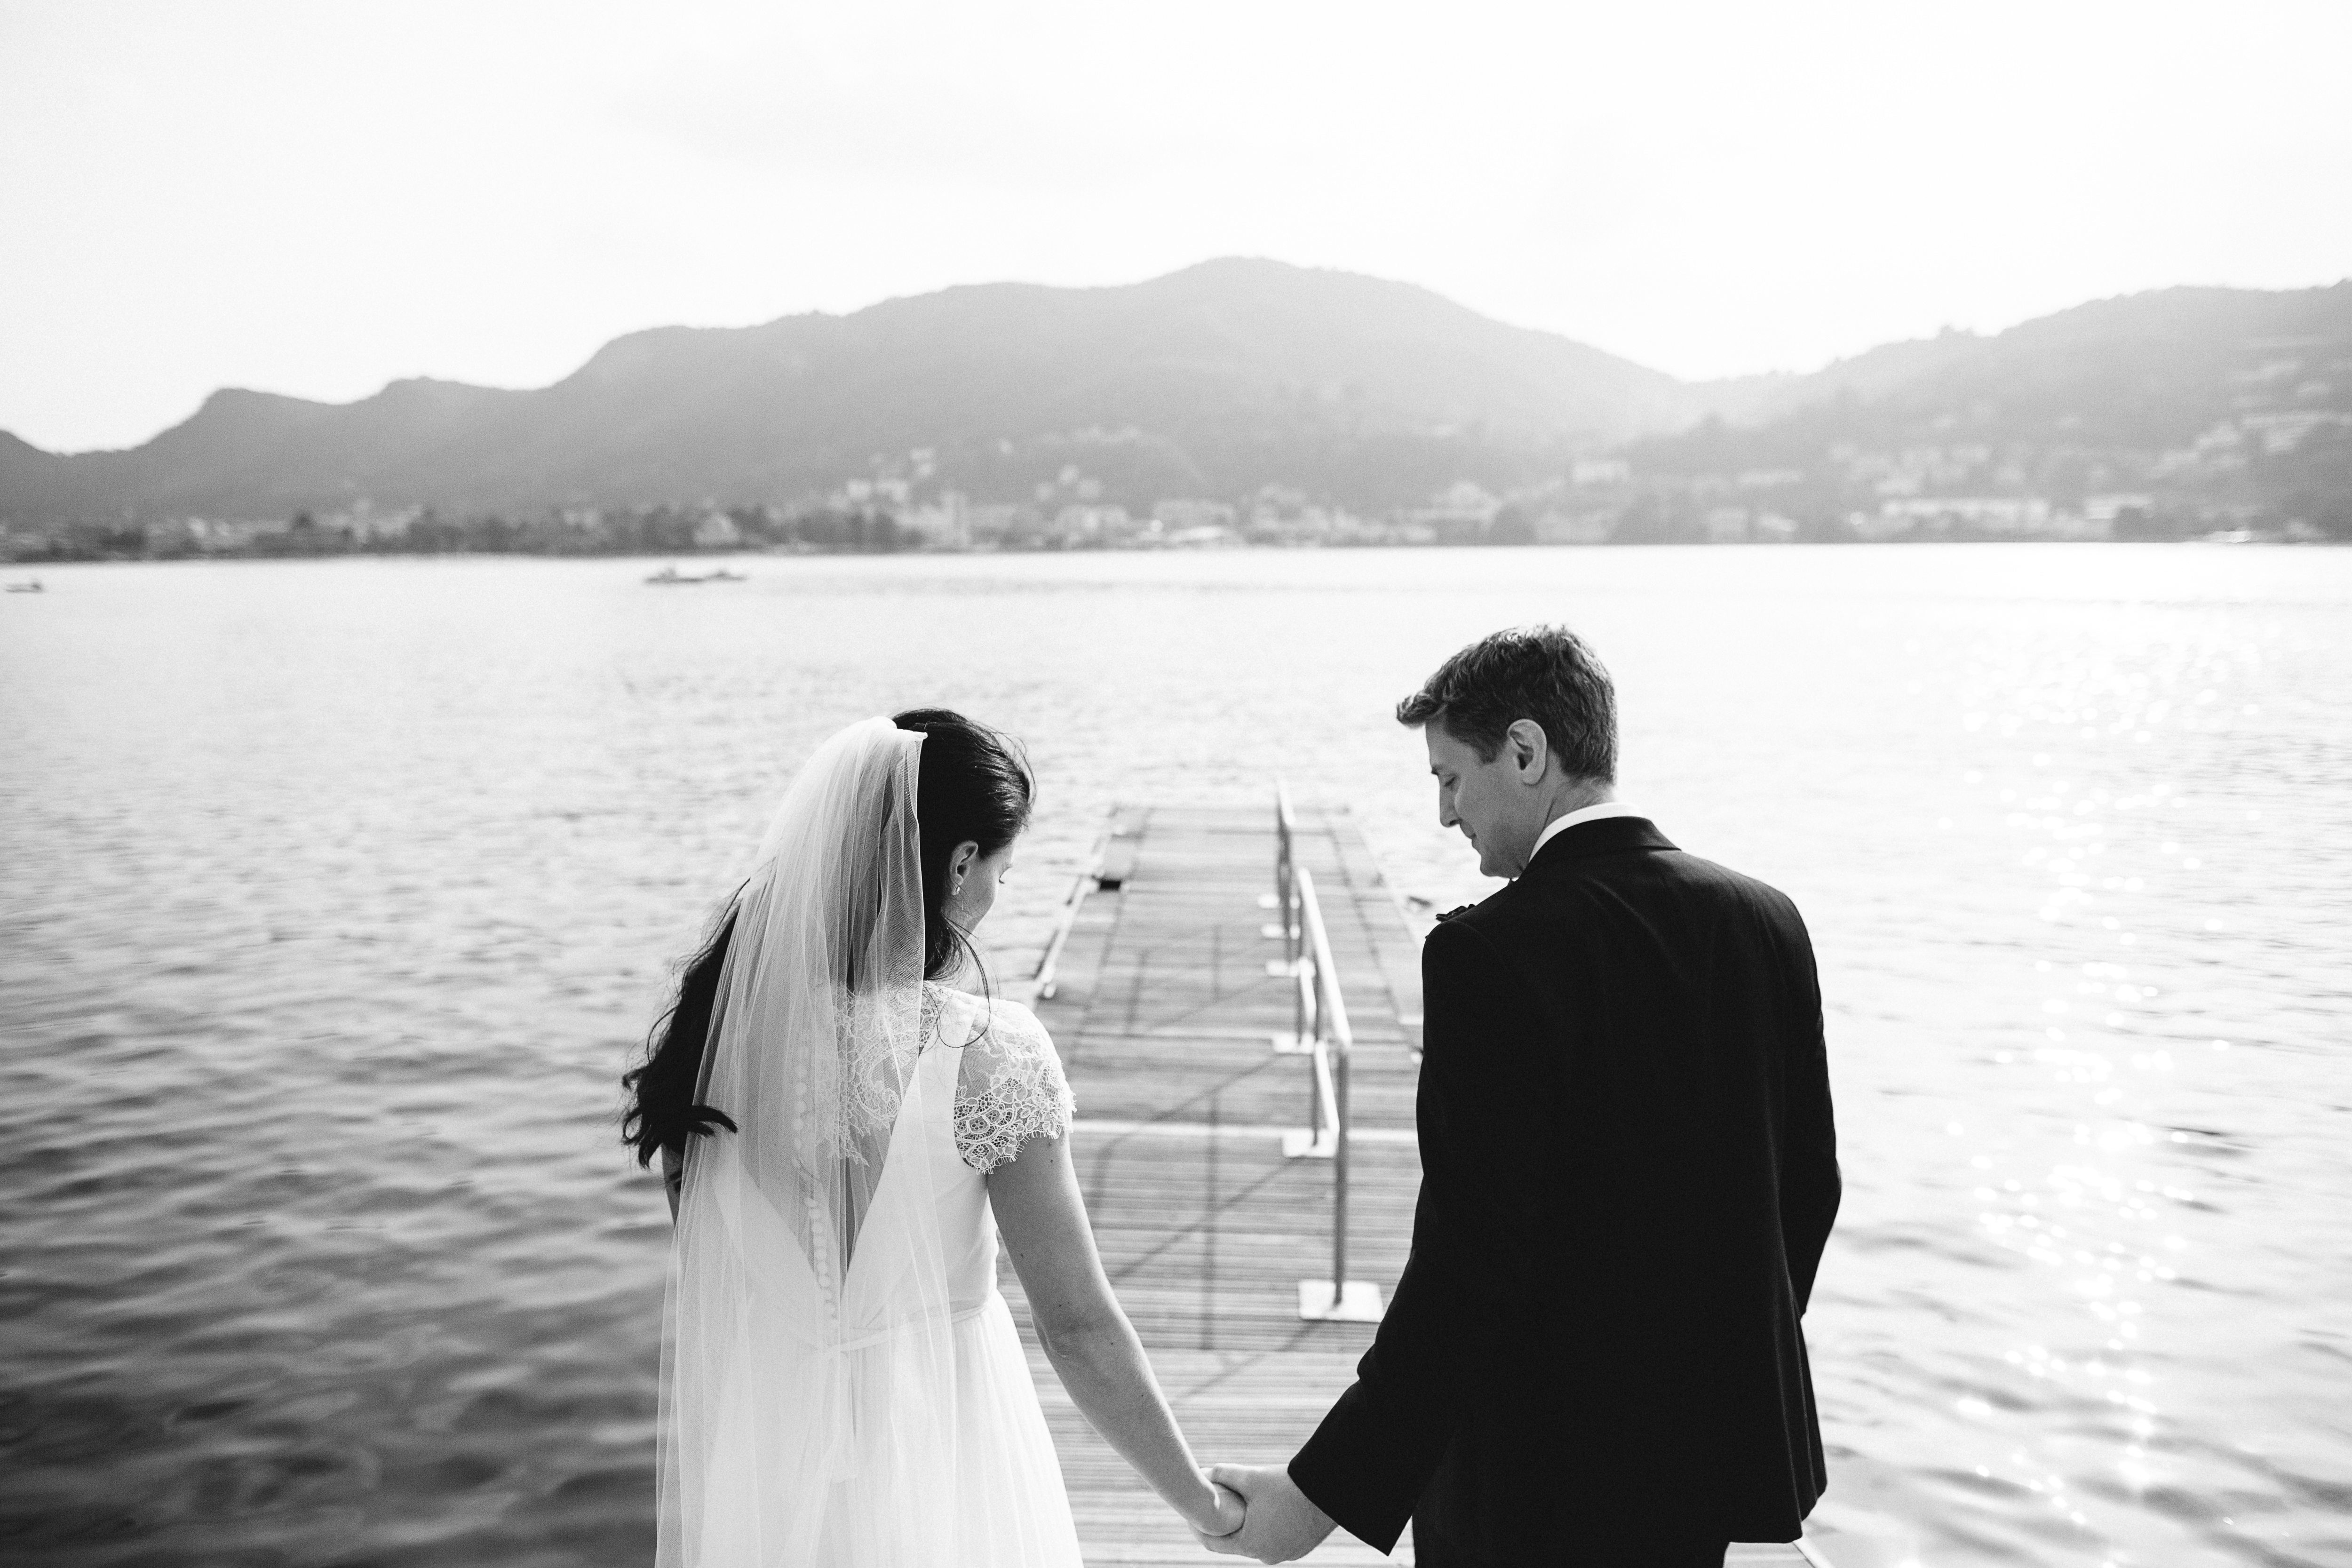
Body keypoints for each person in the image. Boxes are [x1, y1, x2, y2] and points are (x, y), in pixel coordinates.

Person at [1201, 626, 1841, 1567]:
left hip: (1522, 1480)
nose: (1445, 814)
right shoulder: (1766, 920)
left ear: (1529, 751)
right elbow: (1807, 1193)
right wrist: (1702, 1376)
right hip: (1694, 1470)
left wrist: (1316, 1497)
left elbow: (1468, 1264)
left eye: (1449, 778)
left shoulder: (1486, 953)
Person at [623, 710, 1245, 1566]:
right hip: (949, 1445)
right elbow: (1077, 1326)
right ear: (958, 863)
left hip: (769, 1459)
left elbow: (715, 1282)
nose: (996, 893)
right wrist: (1209, 1508)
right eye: (1002, 869)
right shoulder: (989, 1052)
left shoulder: (708, 1057)